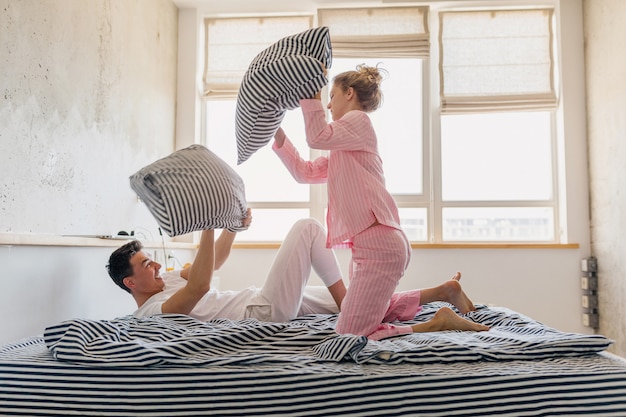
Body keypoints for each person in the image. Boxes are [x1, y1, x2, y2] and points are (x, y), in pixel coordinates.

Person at [272, 64, 489, 340]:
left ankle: (437, 322)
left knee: (349, 332)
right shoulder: (345, 148)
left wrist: (310, 95)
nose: (327, 104)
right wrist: (277, 133)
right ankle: (442, 292)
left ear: (349, 93)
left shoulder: (358, 121)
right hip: (371, 244)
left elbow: (317, 136)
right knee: (373, 308)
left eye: (332, 95)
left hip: (378, 245)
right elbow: (305, 173)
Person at [106, 211, 488, 339]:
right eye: (146, 264)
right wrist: (207, 222)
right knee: (308, 229)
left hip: (266, 299)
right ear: (130, 283)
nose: (155, 265)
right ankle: (348, 303)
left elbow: (213, 264)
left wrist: (231, 226)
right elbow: (203, 283)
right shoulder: (151, 314)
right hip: (262, 312)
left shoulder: (167, 280)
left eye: (151, 259)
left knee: (361, 303)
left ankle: (441, 295)